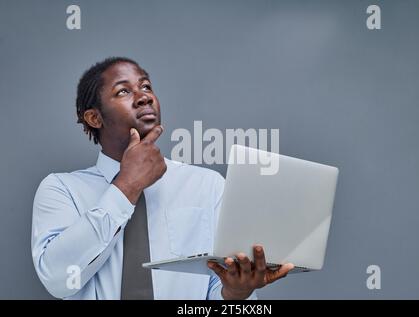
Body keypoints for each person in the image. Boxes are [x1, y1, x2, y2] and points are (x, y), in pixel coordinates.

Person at [31, 57, 294, 300]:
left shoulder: (208, 186)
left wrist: (236, 293)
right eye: (123, 91)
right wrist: (128, 185)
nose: (143, 97)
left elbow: (218, 292)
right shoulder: (61, 189)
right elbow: (58, 279)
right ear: (94, 117)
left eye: (146, 86)